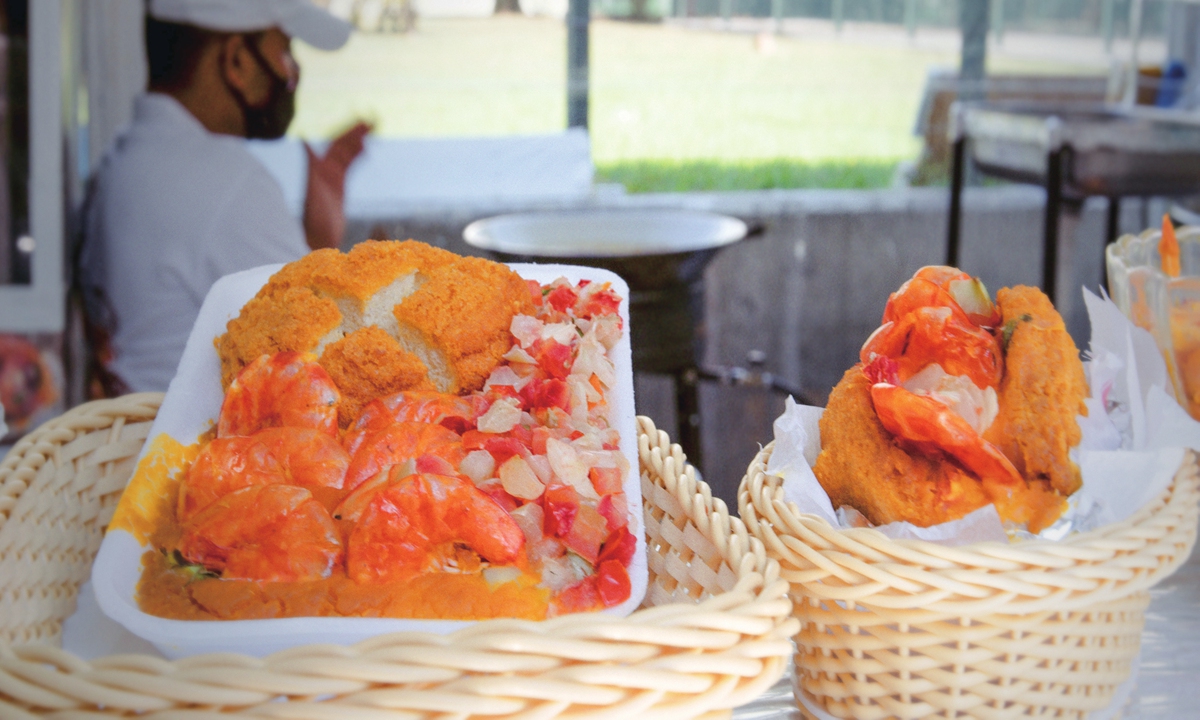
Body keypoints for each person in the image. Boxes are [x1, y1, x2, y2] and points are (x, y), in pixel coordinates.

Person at [78, 0, 371, 396]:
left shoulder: (125, 161)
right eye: (284, 50)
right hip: (196, 448)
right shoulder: (225, 181)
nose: (290, 71)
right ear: (236, 60)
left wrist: (320, 239)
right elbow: (323, 354)